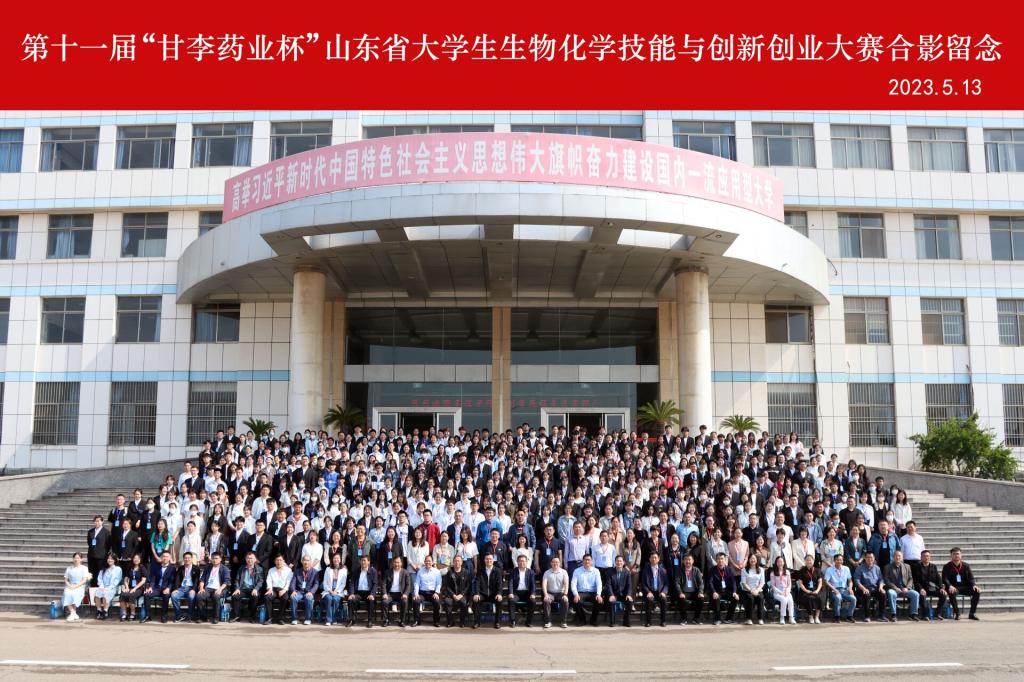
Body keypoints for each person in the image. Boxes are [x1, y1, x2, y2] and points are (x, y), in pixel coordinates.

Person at [942, 547, 981, 621]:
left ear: (961, 555)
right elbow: (945, 579)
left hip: (965, 587)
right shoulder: (947, 566)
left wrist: (974, 585)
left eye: (958, 554)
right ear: (951, 555)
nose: (956, 555)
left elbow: (971, 578)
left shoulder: (966, 566)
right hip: (954, 587)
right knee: (951, 592)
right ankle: (957, 613)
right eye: (954, 554)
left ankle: (972, 613)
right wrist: (950, 586)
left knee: (977, 592)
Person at [883, 550, 920, 622]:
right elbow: (886, 580)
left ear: (902, 557)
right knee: (890, 593)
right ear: (893, 557)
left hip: (904, 589)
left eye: (899, 556)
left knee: (915, 594)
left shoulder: (907, 566)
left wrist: (907, 588)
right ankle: (893, 614)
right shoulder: (887, 567)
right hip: (893, 589)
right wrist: (895, 588)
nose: (898, 557)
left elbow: (910, 578)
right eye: (896, 556)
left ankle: (913, 614)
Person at [913, 550, 948, 621]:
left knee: (943, 594)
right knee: (922, 596)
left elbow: (938, 578)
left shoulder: (933, 566)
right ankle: (924, 615)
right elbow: (915, 580)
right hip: (921, 588)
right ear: (921, 557)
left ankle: (937, 614)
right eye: (924, 556)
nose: (926, 558)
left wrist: (941, 588)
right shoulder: (916, 567)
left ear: (930, 557)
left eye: (927, 556)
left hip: (932, 588)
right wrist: (921, 589)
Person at [232, 552, 265, 623]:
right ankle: (236, 616)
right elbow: (237, 580)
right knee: (235, 596)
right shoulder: (241, 568)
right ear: (245, 559)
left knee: (255, 597)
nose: (249, 560)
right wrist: (237, 588)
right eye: (248, 558)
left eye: (251, 558)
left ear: (255, 559)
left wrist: (256, 589)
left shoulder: (259, 569)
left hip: (253, 589)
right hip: (243, 589)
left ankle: (252, 617)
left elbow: (261, 581)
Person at [571, 554, 604, 626]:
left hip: (593, 592)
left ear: (591, 561)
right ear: (582, 561)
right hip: (581, 592)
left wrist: (598, 594)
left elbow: (599, 583)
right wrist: (576, 594)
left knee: (600, 602)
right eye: (585, 560)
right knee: (576, 601)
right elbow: (573, 584)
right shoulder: (577, 571)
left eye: (588, 560)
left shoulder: (596, 571)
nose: (587, 561)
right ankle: (582, 620)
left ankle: (593, 620)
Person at [473, 553, 504, 629]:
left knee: (499, 601)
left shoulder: (497, 571)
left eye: (490, 559)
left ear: (493, 560)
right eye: (487, 559)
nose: (488, 560)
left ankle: (497, 622)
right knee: (476, 600)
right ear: (484, 560)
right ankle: (477, 622)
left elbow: (500, 584)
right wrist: (477, 593)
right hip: (483, 594)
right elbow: (477, 583)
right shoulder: (480, 570)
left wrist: (499, 594)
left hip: (493, 594)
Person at [145, 550, 178, 623]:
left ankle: (164, 616)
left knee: (166, 596)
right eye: (163, 556)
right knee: (147, 594)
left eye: (167, 557)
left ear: (169, 558)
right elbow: (153, 579)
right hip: (156, 588)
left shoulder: (172, 569)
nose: (165, 558)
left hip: (166, 588)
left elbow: (172, 581)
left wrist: (168, 588)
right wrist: (150, 587)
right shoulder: (156, 567)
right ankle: (147, 616)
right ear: (161, 558)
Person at [707, 552, 738, 625]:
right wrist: (714, 592)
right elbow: (710, 582)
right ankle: (717, 619)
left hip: (727, 590)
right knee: (716, 598)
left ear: (725, 560)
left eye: (722, 558)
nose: (720, 560)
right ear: (716, 560)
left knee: (735, 598)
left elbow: (733, 582)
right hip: (717, 591)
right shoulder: (712, 570)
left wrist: (734, 592)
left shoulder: (729, 569)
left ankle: (729, 618)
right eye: (718, 559)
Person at [854, 551, 886, 622]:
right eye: (868, 557)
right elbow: (857, 580)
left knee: (883, 594)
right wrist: (863, 588)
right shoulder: (859, 568)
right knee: (866, 594)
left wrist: (881, 587)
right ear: (865, 558)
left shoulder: (877, 568)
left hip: (875, 588)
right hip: (863, 588)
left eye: (871, 557)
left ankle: (881, 616)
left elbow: (881, 579)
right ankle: (867, 616)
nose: (869, 559)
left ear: (874, 558)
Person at [412, 555, 443, 627]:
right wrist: (416, 593)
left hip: (433, 593)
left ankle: (436, 621)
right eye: (426, 561)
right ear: (424, 562)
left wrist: (436, 593)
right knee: (416, 601)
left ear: (432, 562)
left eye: (429, 561)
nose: (428, 562)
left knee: (437, 602)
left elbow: (439, 584)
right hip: (422, 593)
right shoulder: (420, 571)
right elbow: (417, 583)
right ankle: (417, 620)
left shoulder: (437, 572)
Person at [347, 555, 378, 628]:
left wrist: (372, 594)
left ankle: (370, 620)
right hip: (358, 593)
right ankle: (351, 620)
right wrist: (351, 593)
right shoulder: (356, 571)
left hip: (368, 593)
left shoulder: (373, 571)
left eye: (364, 560)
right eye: (361, 560)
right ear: (359, 562)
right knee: (351, 600)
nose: (363, 562)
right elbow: (352, 583)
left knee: (371, 600)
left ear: (369, 562)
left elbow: (375, 584)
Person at [825, 553, 857, 623]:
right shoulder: (829, 569)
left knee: (853, 599)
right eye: (837, 560)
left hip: (844, 590)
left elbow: (850, 581)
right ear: (834, 560)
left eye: (840, 560)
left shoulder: (846, 568)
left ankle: (849, 616)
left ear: (842, 560)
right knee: (838, 598)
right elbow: (826, 581)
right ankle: (837, 616)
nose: (839, 561)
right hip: (834, 590)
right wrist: (834, 589)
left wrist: (850, 588)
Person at [443, 555, 473, 627]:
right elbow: (447, 586)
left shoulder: (466, 572)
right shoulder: (449, 572)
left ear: (461, 562)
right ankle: (450, 621)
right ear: (453, 562)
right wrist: (453, 595)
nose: (457, 562)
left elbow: (468, 586)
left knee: (464, 602)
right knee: (447, 601)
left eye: (458, 561)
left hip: (462, 595)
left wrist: (461, 594)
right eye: (455, 561)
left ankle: (462, 622)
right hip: (451, 595)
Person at [795, 553, 826, 624]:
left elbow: (820, 582)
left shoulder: (818, 570)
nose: (809, 562)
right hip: (806, 589)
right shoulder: (801, 571)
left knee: (820, 597)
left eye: (810, 560)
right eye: (807, 560)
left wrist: (817, 590)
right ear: (805, 561)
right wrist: (806, 591)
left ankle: (817, 617)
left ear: (813, 561)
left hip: (816, 589)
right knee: (808, 598)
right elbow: (801, 584)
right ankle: (811, 616)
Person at [640, 551, 669, 627]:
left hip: (660, 592)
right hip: (650, 592)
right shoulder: (645, 570)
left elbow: (666, 584)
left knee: (664, 599)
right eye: (652, 558)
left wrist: (664, 592)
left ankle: (663, 621)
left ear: (658, 559)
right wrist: (648, 592)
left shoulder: (663, 570)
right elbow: (643, 584)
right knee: (649, 600)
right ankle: (648, 621)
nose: (653, 559)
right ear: (649, 559)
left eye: (655, 557)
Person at [507, 554, 536, 627]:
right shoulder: (513, 571)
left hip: (527, 593)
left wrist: (533, 593)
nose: (522, 562)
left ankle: (529, 621)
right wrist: (511, 593)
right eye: (520, 561)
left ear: (526, 562)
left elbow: (533, 584)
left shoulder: (531, 572)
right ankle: (512, 621)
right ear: (517, 562)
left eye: (523, 561)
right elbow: (510, 583)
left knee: (533, 601)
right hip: (516, 593)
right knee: (511, 600)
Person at [381, 555, 411, 627]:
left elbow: (408, 585)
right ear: (392, 563)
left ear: (401, 563)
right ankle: (386, 620)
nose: (396, 564)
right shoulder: (388, 572)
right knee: (384, 602)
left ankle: (402, 621)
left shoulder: (405, 572)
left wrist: (405, 594)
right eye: (395, 562)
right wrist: (384, 593)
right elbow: (383, 584)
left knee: (404, 601)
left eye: (398, 562)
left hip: (401, 594)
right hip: (390, 594)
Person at [170, 551, 200, 622]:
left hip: (191, 588)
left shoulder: (196, 568)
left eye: (189, 558)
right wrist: (176, 589)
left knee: (191, 597)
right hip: (182, 588)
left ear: (192, 559)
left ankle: (190, 615)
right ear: (183, 559)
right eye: (185, 558)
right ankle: (179, 615)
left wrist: (193, 589)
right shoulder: (181, 568)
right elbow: (177, 579)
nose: (187, 559)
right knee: (174, 596)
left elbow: (197, 580)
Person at [264, 554, 293, 625]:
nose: (279, 562)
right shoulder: (271, 570)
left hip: (283, 589)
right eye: (277, 560)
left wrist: (284, 590)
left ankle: (280, 618)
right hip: (273, 589)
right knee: (267, 597)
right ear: (274, 561)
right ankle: (269, 618)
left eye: (280, 560)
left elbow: (289, 582)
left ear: (283, 561)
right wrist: (269, 588)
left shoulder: (288, 570)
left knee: (285, 598)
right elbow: (269, 580)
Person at [541, 556, 570, 629]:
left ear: (559, 563)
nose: (555, 563)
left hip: (561, 593)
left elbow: (566, 584)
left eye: (557, 562)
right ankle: (548, 621)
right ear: (551, 563)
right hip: (550, 593)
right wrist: (546, 594)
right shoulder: (547, 572)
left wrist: (565, 595)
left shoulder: (564, 572)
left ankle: (563, 622)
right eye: (553, 562)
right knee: (546, 600)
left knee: (565, 601)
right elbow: (544, 584)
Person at [606, 555, 634, 627]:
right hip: (614, 594)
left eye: (620, 561)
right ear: (615, 562)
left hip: (624, 594)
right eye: (617, 561)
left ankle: (626, 621)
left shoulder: (627, 572)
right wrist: (611, 595)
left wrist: (628, 594)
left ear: (623, 562)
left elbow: (629, 585)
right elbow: (608, 585)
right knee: (611, 602)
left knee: (630, 602)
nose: (619, 562)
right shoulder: (610, 572)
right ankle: (612, 622)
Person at [62, 552, 90, 622]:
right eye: (75, 558)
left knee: (75, 594)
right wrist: (69, 585)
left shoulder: (84, 568)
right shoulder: (69, 568)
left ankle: (72, 614)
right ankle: (73, 613)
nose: (76, 559)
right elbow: (66, 580)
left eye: (78, 558)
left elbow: (84, 580)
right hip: (70, 585)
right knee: (66, 593)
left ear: (81, 559)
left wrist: (75, 586)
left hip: (80, 586)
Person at [119, 553, 147, 622]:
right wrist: (127, 587)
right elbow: (126, 579)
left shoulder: (142, 568)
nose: (136, 559)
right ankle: (124, 614)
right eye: (134, 558)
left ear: (140, 560)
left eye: (137, 558)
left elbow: (143, 581)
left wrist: (135, 588)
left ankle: (133, 614)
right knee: (122, 595)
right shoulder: (130, 567)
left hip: (139, 588)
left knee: (132, 595)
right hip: (130, 587)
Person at [93, 553, 122, 620]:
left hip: (112, 587)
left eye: (112, 559)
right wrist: (102, 587)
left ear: (114, 560)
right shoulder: (103, 569)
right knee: (97, 593)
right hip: (103, 587)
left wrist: (108, 588)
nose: (110, 560)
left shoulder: (118, 569)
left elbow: (117, 580)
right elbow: (100, 579)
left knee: (106, 594)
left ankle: (105, 611)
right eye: (108, 558)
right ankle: (99, 610)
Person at [739, 554, 765, 625]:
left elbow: (762, 582)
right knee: (750, 598)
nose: (753, 560)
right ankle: (749, 619)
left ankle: (760, 618)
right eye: (751, 558)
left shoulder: (761, 570)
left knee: (760, 598)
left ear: (757, 560)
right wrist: (751, 591)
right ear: (748, 560)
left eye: (754, 558)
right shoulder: (744, 570)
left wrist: (757, 590)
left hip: (758, 590)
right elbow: (744, 583)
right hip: (747, 590)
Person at [769, 555, 796, 625]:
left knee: (790, 600)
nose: (780, 563)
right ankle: (782, 617)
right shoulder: (773, 573)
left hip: (786, 591)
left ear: (784, 563)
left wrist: (787, 591)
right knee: (784, 600)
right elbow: (773, 586)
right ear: (776, 563)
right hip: (777, 592)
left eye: (781, 562)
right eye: (778, 562)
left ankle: (791, 617)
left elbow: (789, 584)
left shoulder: (787, 572)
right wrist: (780, 592)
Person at [87, 516, 110, 587]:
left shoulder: (106, 532)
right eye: (96, 521)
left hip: (101, 556)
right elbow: (89, 542)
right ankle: (92, 586)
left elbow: (108, 544)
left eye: (98, 521)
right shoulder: (90, 531)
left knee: (100, 573)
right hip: (91, 555)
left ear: (102, 522)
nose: (97, 522)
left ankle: (100, 587)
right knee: (92, 573)